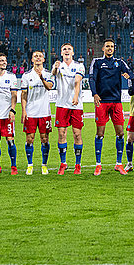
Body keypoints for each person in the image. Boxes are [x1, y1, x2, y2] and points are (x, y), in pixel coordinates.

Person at [88, 38, 133, 176]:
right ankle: (98, 165)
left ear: (114, 48)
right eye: (107, 46)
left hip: (116, 102)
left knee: (120, 133)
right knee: (100, 133)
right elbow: (92, 78)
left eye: (112, 46)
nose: (110, 48)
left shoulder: (119, 62)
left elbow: (131, 74)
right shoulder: (97, 62)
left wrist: (128, 75)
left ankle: (119, 164)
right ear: (103, 48)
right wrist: (94, 94)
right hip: (102, 101)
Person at [52, 43, 84, 175]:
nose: (66, 51)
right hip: (61, 105)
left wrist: (75, 97)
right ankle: (63, 163)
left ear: (73, 53)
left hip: (76, 106)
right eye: (64, 49)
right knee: (61, 134)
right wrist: (55, 68)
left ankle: (78, 164)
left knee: (77, 134)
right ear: (61, 53)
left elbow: (77, 81)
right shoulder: (59, 66)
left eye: (69, 49)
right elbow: (53, 74)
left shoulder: (79, 66)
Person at [21, 50, 54, 176]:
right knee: (30, 139)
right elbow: (24, 95)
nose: (38, 58)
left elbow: (49, 87)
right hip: (31, 112)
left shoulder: (48, 74)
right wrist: (24, 111)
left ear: (44, 60)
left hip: (44, 112)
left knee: (44, 139)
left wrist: (41, 78)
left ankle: (44, 165)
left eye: (40, 56)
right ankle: (30, 165)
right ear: (32, 60)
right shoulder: (26, 75)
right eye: (36, 56)